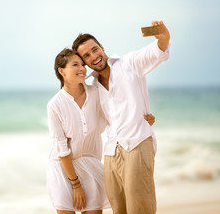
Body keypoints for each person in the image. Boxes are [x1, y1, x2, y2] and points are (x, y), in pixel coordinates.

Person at [72, 20, 171, 214]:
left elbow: (156, 51)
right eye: (87, 55)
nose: (94, 56)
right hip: (111, 151)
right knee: (119, 209)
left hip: (137, 142)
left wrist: (164, 38)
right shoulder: (92, 87)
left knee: (140, 208)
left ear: (102, 47)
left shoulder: (129, 63)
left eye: (95, 49)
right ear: (84, 62)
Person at [46, 48, 110, 214]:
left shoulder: (96, 93)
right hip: (63, 168)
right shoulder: (55, 105)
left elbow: (115, 115)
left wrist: (142, 117)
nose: (82, 68)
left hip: (90, 165)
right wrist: (75, 184)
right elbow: (61, 148)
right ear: (62, 71)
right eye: (75, 65)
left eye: (83, 64)